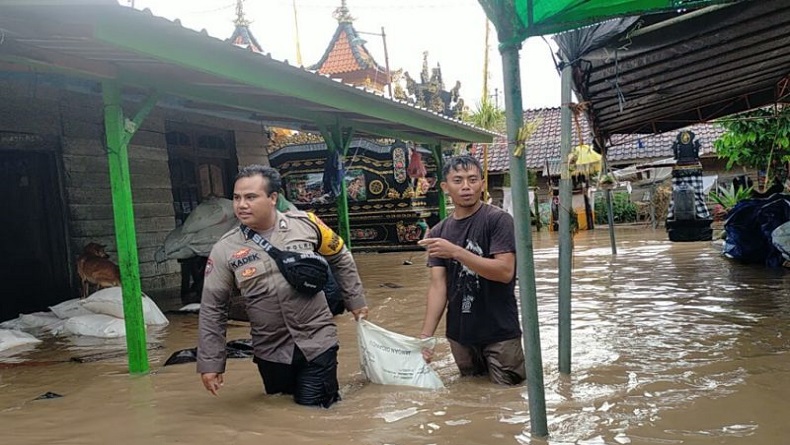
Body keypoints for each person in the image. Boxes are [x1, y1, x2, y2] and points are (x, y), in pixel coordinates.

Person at [198, 164, 368, 408]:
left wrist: (356, 301)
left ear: (273, 198)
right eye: (236, 198)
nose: (241, 205)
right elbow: (213, 307)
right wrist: (211, 363)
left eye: (251, 197)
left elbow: (341, 255)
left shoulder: (307, 225)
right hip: (271, 350)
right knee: (280, 407)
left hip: (317, 340)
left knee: (313, 410)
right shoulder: (225, 249)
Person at [417, 155, 526, 385]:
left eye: (472, 179)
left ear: (482, 183)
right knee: (471, 393)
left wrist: (456, 252)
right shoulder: (438, 232)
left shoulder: (498, 220)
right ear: (446, 187)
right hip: (460, 335)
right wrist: (425, 337)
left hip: (500, 333)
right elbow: (438, 287)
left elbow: (505, 271)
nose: (466, 187)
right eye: (458, 180)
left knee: (508, 398)